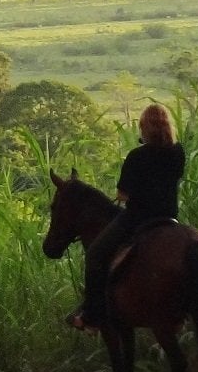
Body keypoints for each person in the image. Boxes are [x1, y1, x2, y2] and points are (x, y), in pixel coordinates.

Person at [69, 102, 185, 332]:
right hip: (169, 218)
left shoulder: (137, 156)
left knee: (95, 254)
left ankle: (92, 315)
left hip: (139, 218)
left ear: (144, 128)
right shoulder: (177, 152)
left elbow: (122, 195)